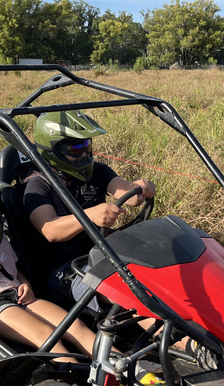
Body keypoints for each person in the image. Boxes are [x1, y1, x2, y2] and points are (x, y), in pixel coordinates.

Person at [0, 166, 102, 363]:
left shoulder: (0, 238)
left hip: (18, 295)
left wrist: (25, 284)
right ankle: (83, 385)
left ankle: (132, 373)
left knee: (73, 326)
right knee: (46, 335)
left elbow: (15, 271)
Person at [23, 110, 156, 307]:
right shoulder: (37, 185)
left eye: (86, 145)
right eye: (75, 148)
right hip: (66, 272)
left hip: (103, 255)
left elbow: (129, 195)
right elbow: (49, 230)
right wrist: (89, 216)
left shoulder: (97, 172)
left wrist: (141, 188)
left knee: (159, 267)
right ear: (53, 152)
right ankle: (176, 336)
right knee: (130, 292)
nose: (85, 154)